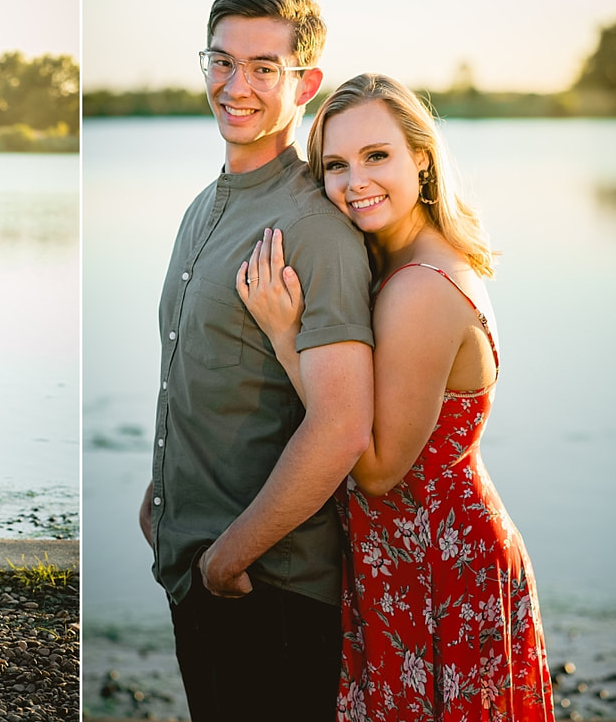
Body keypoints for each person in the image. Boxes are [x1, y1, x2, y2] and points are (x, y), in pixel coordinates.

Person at [238, 73, 555, 721]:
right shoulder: (404, 261)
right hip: (411, 558)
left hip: (439, 566)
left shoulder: (419, 288)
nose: (355, 181)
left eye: (375, 155)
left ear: (420, 156)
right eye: (334, 164)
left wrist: (283, 338)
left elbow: (378, 470)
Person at [139, 0, 375, 721]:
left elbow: (341, 424)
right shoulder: (200, 206)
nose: (235, 86)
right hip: (194, 567)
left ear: (305, 82)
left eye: (263, 67)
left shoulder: (315, 230)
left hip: (267, 587)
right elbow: (194, 371)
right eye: (220, 60)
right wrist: (159, 500)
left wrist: (229, 556)